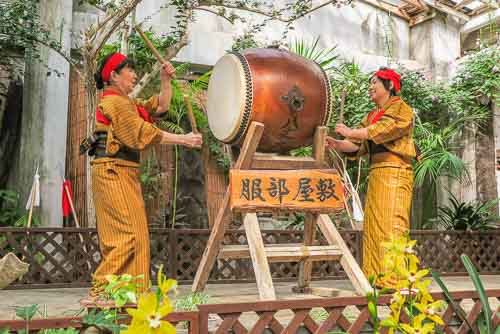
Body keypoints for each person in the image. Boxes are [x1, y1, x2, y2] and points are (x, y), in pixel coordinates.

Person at [84, 52, 202, 298]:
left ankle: (129, 295)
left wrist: (165, 80)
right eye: (130, 71)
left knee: (136, 235)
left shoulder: (128, 103)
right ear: (114, 76)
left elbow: (160, 106)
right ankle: (101, 294)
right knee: (126, 236)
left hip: (123, 173)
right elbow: (142, 132)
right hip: (112, 171)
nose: (135, 75)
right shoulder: (114, 103)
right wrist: (184, 139)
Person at [326, 67, 416, 288]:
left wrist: (349, 132)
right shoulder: (371, 116)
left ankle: (395, 280)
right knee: (374, 226)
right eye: (370, 83)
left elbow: (382, 131)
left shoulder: (401, 109)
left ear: (390, 86)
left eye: (375, 82)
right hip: (377, 173)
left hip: (395, 172)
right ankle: (376, 278)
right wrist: (337, 143)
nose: (370, 87)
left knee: (392, 224)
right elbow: (358, 144)